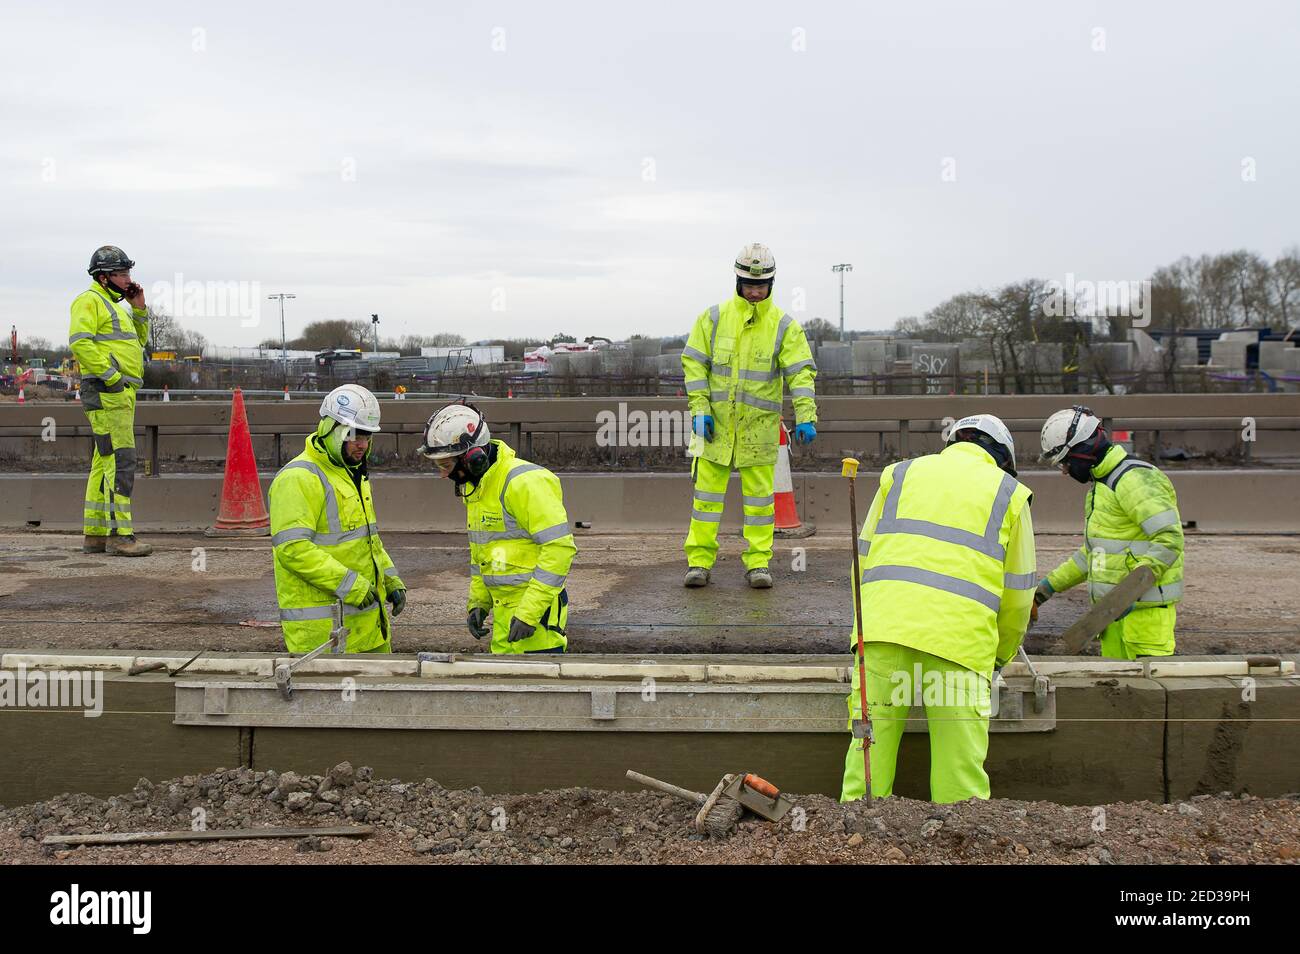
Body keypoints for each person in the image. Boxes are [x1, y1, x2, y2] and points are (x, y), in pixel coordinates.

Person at [841, 415, 1036, 803]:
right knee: (958, 771)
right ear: (1002, 457)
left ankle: (855, 837)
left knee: (868, 750)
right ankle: (959, 844)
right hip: (959, 645)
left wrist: (867, 627)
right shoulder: (1009, 493)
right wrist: (999, 656)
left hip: (882, 632)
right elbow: (1017, 596)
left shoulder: (899, 475)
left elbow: (860, 562)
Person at [680, 242, 818, 589]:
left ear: (771, 285)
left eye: (761, 286)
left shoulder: (784, 326)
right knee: (706, 501)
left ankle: (758, 564)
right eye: (749, 286)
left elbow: (800, 373)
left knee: (759, 503)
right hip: (716, 431)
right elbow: (694, 363)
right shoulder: (712, 319)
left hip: (759, 432)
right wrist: (699, 409)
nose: (755, 292)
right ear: (737, 282)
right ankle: (699, 563)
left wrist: (806, 415)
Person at [420, 402, 576, 654]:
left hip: (537, 624)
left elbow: (559, 549)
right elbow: (483, 555)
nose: (442, 475)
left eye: (446, 466)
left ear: (473, 458)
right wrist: (479, 603)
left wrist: (529, 613)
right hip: (507, 623)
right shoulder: (478, 490)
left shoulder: (524, 482)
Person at [1035, 405, 1183, 659]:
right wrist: (1044, 591)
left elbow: (1169, 540)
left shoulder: (1133, 479)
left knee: (1148, 697)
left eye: (1065, 462)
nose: (1064, 471)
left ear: (1082, 451)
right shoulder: (1103, 486)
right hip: (1110, 620)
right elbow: (1093, 555)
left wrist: (1126, 596)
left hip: (1143, 622)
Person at [268, 385, 406, 653]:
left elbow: (367, 542)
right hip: (325, 638)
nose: (362, 446)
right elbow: (293, 550)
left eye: (367, 437)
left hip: (369, 629)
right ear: (331, 429)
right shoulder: (298, 478)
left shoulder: (353, 475)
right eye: (354, 436)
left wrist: (390, 580)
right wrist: (350, 585)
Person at [69, 246, 152, 556]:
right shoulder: (89, 301)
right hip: (108, 391)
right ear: (103, 277)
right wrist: (113, 378)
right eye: (122, 274)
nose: (128, 279)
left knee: (103, 462)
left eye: (128, 273)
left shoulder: (116, 306)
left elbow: (139, 344)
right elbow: (80, 343)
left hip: (119, 392)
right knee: (120, 460)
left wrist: (140, 310)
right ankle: (121, 535)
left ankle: (96, 534)